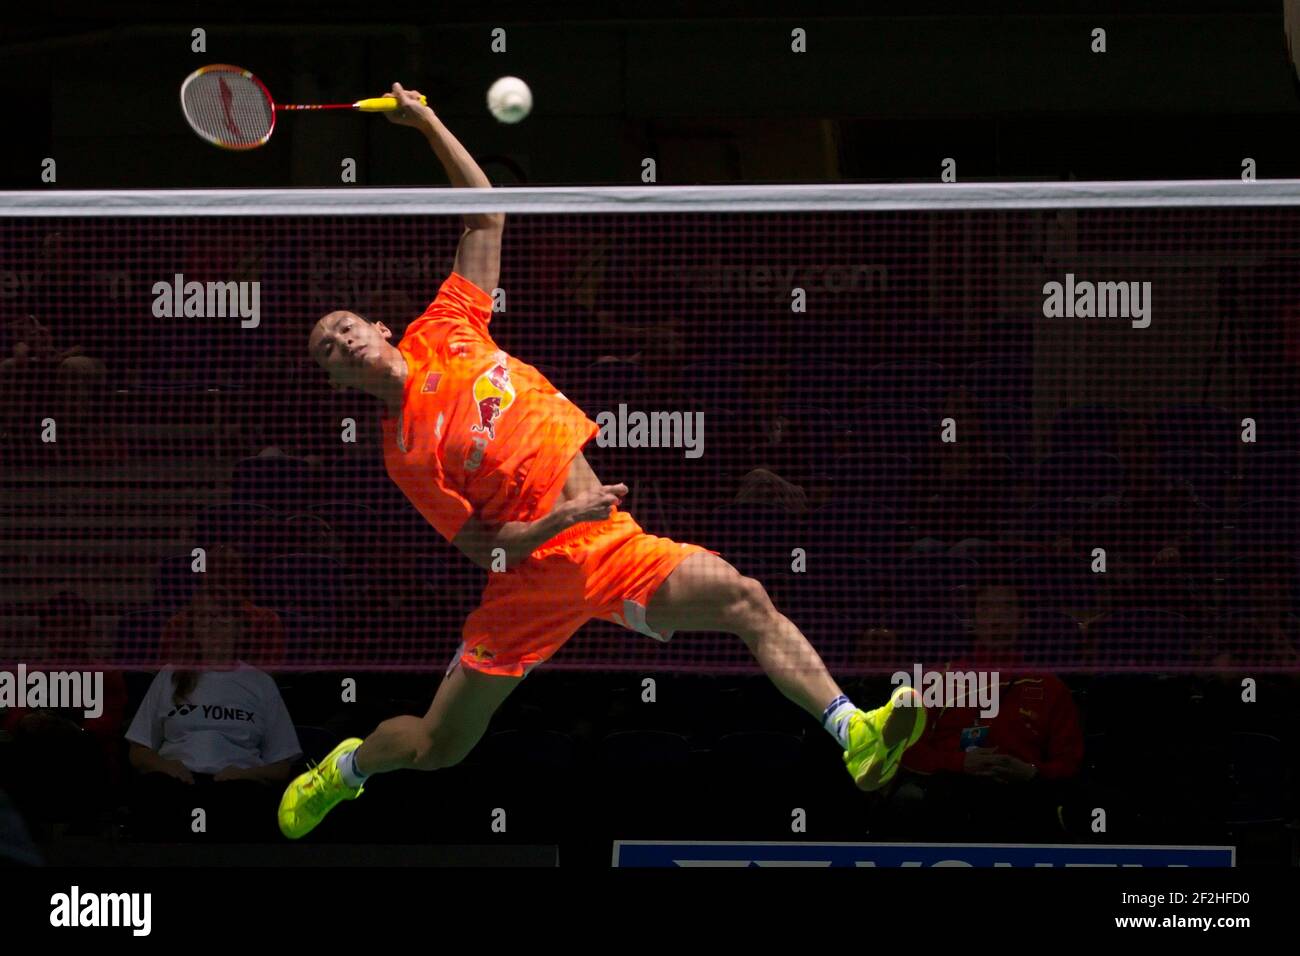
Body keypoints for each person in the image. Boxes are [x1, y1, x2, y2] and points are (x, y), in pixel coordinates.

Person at [279, 83, 927, 839]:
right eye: (328, 347)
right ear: (336, 380)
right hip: (529, 582)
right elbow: (483, 550)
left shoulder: (448, 326)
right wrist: (560, 516)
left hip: (610, 547)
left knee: (746, 597)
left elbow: (486, 209)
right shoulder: (405, 452)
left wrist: (426, 122)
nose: (342, 340)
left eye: (346, 325)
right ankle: (346, 771)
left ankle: (855, 734)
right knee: (435, 747)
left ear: (379, 325)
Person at [125, 586, 300, 842]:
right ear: (194, 628)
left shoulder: (260, 683)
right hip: (177, 782)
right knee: (152, 794)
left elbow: (282, 764)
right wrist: (166, 766)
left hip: (238, 784)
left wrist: (245, 774)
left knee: (253, 804)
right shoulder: (170, 676)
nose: (213, 627)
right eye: (205, 619)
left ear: (239, 628)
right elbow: (138, 751)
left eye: (222, 619)